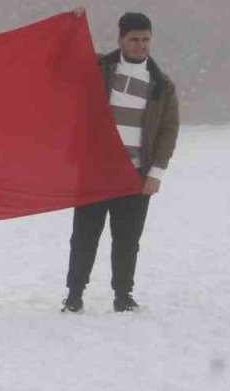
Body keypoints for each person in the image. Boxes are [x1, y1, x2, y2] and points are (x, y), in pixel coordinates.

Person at [62, 9, 179, 313]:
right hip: (95, 172)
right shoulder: (98, 68)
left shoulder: (162, 85)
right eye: (134, 39)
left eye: (146, 39)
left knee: (127, 240)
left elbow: (168, 131)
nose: (141, 45)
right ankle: (74, 295)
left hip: (135, 174)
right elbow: (59, 65)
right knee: (84, 237)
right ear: (121, 40)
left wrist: (156, 172)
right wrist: (71, 24)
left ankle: (123, 295)